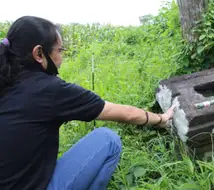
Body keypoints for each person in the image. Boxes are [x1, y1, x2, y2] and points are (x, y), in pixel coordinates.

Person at [0, 16, 176, 190]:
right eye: (60, 51)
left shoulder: (5, 79)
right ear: (39, 54)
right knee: (108, 139)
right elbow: (125, 113)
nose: (61, 59)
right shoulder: (48, 89)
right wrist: (161, 118)